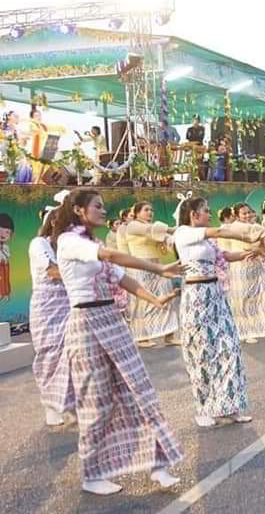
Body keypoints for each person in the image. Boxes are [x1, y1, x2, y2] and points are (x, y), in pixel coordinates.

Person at [53, 189, 184, 495]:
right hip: (85, 325)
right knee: (95, 402)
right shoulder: (69, 241)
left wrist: (156, 299)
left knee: (140, 390)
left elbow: (122, 278)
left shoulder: (92, 243)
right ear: (79, 211)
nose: (103, 210)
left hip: (112, 321)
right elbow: (111, 256)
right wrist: (160, 267)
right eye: (97, 206)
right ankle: (92, 473)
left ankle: (158, 465)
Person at [173, 197, 265, 427]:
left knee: (230, 348)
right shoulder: (183, 233)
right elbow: (219, 231)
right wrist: (246, 235)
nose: (209, 214)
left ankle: (230, 405)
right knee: (201, 354)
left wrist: (253, 251)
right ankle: (203, 408)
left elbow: (225, 257)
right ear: (193, 214)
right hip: (196, 297)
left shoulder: (208, 242)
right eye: (205, 211)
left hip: (216, 295)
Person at [28, 208, 75, 426]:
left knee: (73, 353)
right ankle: (51, 404)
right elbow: (53, 272)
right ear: (53, 222)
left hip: (69, 303)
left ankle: (73, 404)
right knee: (49, 354)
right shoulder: (39, 244)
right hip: (46, 306)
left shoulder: (67, 246)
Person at [226, 203, 265, 342]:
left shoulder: (256, 228)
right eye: (243, 213)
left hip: (256, 266)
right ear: (236, 215)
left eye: (249, 213)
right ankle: (246, 332)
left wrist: (262, 246)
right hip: (240, 267)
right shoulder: (232, 229)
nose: (247, 216)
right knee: (244, 300)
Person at [124, 202, 179, 348]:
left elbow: (165, 246)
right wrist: (172, 230)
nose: (150, 212)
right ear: (136, 213)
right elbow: (149, 229)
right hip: (140, 266)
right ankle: (142, 337)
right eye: (146, 210)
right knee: (143, 302)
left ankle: (170, 334)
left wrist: (169, 241)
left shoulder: (156, 228)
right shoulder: (133, 225)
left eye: (151, 210)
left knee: (167, 296)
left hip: (158, 266)